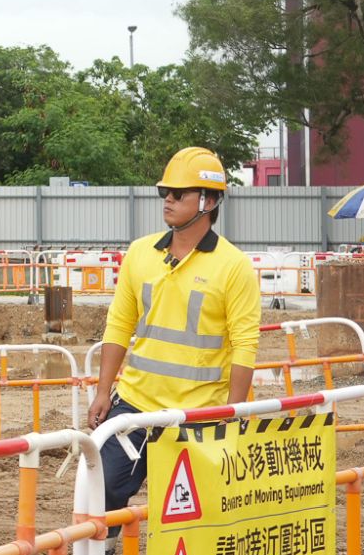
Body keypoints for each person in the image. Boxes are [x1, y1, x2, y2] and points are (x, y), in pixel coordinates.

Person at [89, 147, 261, 513]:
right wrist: (104, 391)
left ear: (209, 200)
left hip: (200, 414)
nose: (168, 199)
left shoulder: (234, 266)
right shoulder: (140, 253)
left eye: (179, 193)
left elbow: (246, 344)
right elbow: (119, 324)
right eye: (164, 192)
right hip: (135, 406)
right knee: (101, 488)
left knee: (195, 511)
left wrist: (235, 412)